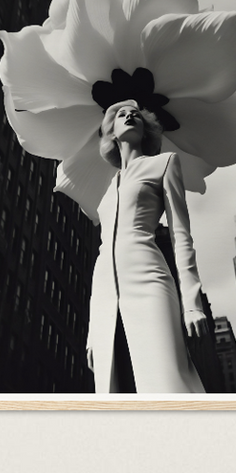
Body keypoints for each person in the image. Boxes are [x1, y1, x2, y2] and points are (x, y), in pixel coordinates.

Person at [86, 99, 211, 394]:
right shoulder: (107, 190)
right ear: (111, 133)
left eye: (136, 116)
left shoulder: (164, 163)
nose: (129, 115)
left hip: (149, 279)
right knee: (113, 390)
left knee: (167, 379)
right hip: (105, 292)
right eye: (120, 115)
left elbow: (181, 234)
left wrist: (191, 303)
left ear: (146, 132)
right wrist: (93, 330)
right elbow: (104, 251)